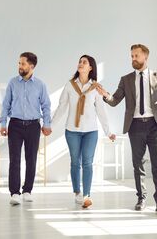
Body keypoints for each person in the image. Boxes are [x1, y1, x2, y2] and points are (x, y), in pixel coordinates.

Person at [96, 44, 157, 212]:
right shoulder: (126, 79)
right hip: (135, 126)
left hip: (154, 125)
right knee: (138, 164)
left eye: (136, 56)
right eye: (132, 56)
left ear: (145, 57)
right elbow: (115, 100)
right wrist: (106, 96)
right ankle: (141, 199)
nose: (133, 59)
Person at [51, 55, 115, 208]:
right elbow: (62, 107)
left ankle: (87, 195)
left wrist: (108, 131)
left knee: (87, 162)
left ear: (90, 68)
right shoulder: (70, 85)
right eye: (79, 61)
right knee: (75, 162)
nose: (80, 64)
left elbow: (101, 110)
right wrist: (50, 126)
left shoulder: (96, 88)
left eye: (84, 62)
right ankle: (77, 192)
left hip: (90, 131)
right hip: (72, 130)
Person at [0, 52, 52, 206]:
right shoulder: (12, 83)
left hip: (33, 126)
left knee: (31, 159)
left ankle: (27, 190)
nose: (20, 66)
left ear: (31, 66)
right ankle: (14, 193)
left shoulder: (40, 85)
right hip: (15, 125)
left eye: (22, 63)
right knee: (14, 160)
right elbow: (5, 105)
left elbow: (46, 106)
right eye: (19, 63)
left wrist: (47, 124)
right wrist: (3, 124)